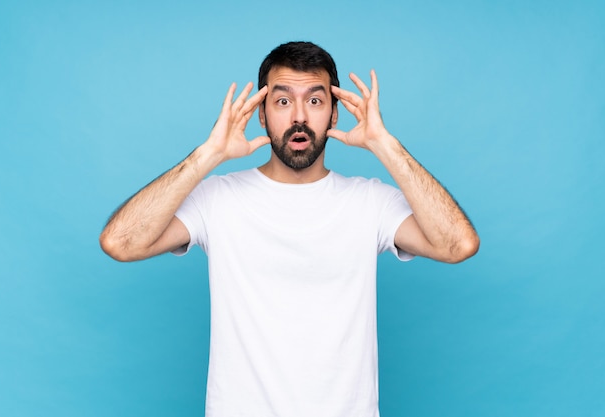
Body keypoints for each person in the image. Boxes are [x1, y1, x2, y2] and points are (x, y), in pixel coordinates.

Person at [100, 41, 479, 417]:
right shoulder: (217, 199)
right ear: (261, 115)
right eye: (282, 101)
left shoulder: (369, 202)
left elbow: (458, 244)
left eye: (315, 101)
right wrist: (208, 155)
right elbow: (120, 242)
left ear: (334, 114)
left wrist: (385, 145)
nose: (299, 116)